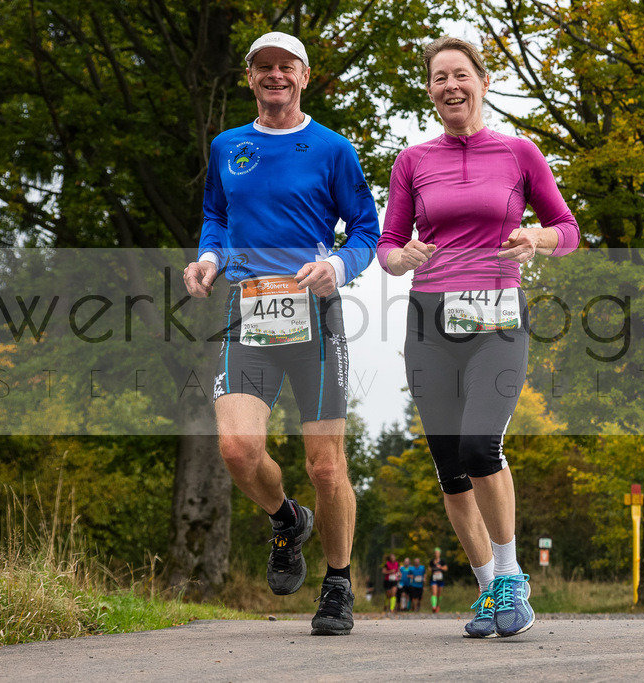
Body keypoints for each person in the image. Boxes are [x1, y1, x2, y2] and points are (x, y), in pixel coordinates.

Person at [376, 36, 580, 638]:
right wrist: (400, 256)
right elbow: (387, 246)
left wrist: (535, 239)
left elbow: (567, 228)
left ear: (482, 83)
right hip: (429, 323)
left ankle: (513, 576)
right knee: (449, 468)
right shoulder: (413, 162)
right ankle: (491, 591)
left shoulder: (520, 153)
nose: (450, 87)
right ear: (431, 91)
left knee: (479, 446)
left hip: (496, 317)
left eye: (459, 75)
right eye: (438, 78)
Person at [182, 31, 379, 636]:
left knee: (326, 466)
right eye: (263, 67)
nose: (274, 76)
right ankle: (287, 520)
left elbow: (366, 231)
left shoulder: (332, 149)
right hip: (248, 310)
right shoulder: (227, 147)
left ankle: (338, 584)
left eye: (285, 67)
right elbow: (217, 216)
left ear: (303, 75)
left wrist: (337, 266)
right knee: (238, 449)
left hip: (315, 317)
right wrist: (209, 259)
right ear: (249, 77)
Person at [429, 547, 448, 613]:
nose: (436, 554)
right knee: (434, 593)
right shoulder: (431, 561)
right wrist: (432, 569)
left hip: (440, 579)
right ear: (434, 554)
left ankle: (437, 605)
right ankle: (433, 606)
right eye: (435, 553)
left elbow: (446, 568)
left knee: (439, 594)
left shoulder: (442, 561)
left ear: (439, 554)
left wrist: (440, 567)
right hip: (434, 579)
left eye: (438, 553)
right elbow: (429, 569)